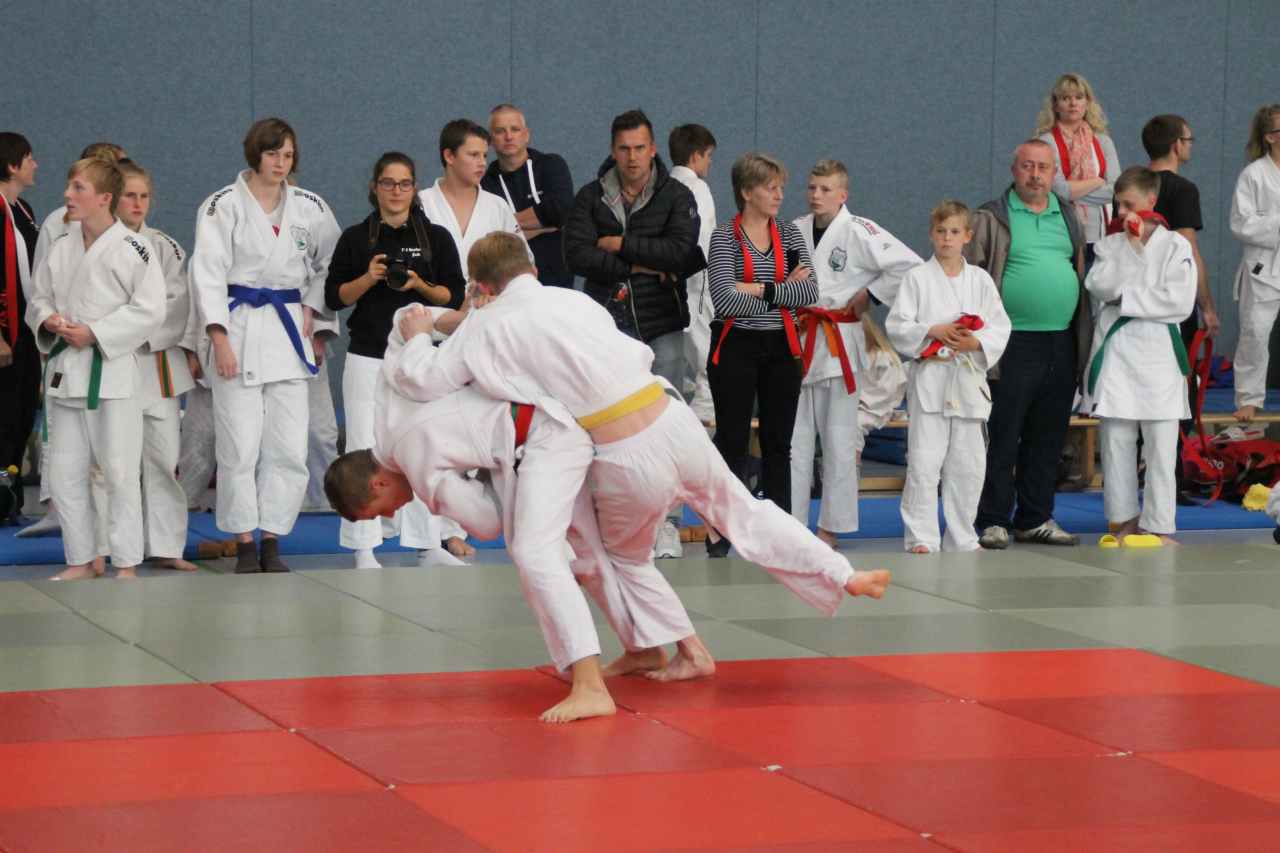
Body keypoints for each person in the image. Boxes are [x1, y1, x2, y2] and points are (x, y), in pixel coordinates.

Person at [392, 232, 891, 675]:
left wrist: (417, 339)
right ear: (532, 270)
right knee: (744, 511)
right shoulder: (574, 300)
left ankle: (677, 652)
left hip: (626, 449)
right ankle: (842, 573)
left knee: (621, 558)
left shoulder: (485, 325)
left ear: (480, 286)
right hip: (671, 415)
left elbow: (425, 380)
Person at [190, 117, 340, 573]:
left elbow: (330, 265)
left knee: (288, 448)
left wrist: (314, 317)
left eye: (288, 155)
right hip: (237, 328)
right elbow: (207, 274)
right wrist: (218, 337)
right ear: (256, 153)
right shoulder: (221, 205)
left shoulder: (310, 206)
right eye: (273, 153)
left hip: (289, 333)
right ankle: (243, 540)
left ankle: (272, 538)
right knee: (239, 447)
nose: (281, 162)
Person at [325, 151, 469, 569]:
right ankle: (363, 547)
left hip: (420, 356)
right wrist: (368, 277)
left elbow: (453, 297)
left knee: (425, 448)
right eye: (387, 183)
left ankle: (428, 544)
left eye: (404, 183)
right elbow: (335, 297)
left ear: (414, 188)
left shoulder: (435, 237)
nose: (396, 191)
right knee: (361, 446)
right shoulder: (356, 238)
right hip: (368, 352)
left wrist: (419, 283)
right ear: (375, 188)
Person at [26, 158, 165, 579]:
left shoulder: (134, 248)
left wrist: (96, 333)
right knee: (65, 473)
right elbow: (38, 298)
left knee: (119, 471)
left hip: (113, 372)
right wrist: (49, 320)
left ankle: (126, 562)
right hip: (66, 371)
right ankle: (82, 559)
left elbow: (150, 310)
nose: (67, 195)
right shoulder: (61, 245)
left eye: (78, 188)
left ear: (104, 198)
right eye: (70, 187)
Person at [790, 159, 922, 547]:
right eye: (812, 188)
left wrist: (872, 294)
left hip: (840, 344)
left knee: (840, 440)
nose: (816, 195)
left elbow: (909, 266)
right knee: (794, 444)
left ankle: (830, 527)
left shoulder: (860, 230)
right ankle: (791, 525)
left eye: (825, 189)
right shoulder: (794, 229)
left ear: (843, 194)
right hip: (799, 340)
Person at [966, 140, 1090, 549]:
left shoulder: (1068, 215)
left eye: (1043, 167)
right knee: (1003, 433)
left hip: (1061, 339)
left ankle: (1035, 517)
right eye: (1027, 166)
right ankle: (993, 519)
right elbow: (970, 276)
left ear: (1054, 173)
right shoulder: (990, 217)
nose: (1035, 175)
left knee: (1048, 435)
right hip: (1010, 342)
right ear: (1014, 170)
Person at [704, 152, 816, 556]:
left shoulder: (790, 234)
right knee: (732, 442)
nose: (780, 195)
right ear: (747, 192)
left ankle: (781, 532)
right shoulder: (724, 237)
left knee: (778, 445)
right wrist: (783, 290)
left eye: (781, 187)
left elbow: (810, 292)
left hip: (782, 348)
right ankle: (724, 530)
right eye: (771, 188)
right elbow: (724, 299)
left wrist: (758, 288)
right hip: (735, 346)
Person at [887, 201, 1010, 553]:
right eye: (941, 231)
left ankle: (962, 535)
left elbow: (1000, 325)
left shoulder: (980, 280)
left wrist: (977, 341)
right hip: (931, 378)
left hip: (968, 379)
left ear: (967, 236)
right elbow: (898, 326)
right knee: (924, 463)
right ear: (931, 234)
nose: (947, 238)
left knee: (968, 465)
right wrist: (933, 330)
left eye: (954, 232)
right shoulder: (917, 278)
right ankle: (921, 536)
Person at [1083, 167, 1196, 545]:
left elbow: (1179, 303)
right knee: (1116, 442)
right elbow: (1099, 286)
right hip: (1119, 354)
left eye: (1128, 204)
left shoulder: (1175, 246)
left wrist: (1126, 299)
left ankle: (1159, 525)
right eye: (1118, 204)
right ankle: (1123, 520)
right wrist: (1130, 251)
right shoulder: (1111, 245)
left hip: (1159, 356)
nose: (1121, 212)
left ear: (1151, 201)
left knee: (1161, 447)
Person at [19, 142, 126, 540]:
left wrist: (99, 332)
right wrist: (50, 322)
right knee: (63, 443)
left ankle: (113, 540)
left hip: (110, 353)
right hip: (65, 345)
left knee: (112, 457)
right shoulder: (57, 225)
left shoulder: (129, 236)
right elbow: (40, 287)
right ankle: (57, 510)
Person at [563, 109, 705, 393]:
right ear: (613, 151)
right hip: (605, 322)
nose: (632, 157)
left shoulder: (677, 195)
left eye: (639, 148)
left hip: (663, 321)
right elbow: (576, 256)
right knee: (611, 405)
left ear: (652, 149)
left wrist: (620, 245)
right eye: (624, 149)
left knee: (667, 405)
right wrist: (633, 267)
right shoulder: (590, 196)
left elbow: (678, 252)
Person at [114, 161, 199, 571]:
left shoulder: (166, 246)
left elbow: (177, 303)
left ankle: (166, 546)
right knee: (116, 465)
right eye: (130, 195)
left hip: (157, 364)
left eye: (144, 196)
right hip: (114, 364)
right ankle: (118, 550)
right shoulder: (94, 244)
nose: (138, 203)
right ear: (112, 198)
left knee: (164, 460)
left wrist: (134, 329)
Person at [418, 119, 525, 280]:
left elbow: (522, 263)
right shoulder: (421, 203)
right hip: (434, 295)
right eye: (474, 155)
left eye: (484, 155)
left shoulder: (497, 205)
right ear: (449, 156)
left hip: (489, 295)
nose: (482, 163)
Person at [482, 104, 575, 288]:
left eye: (515, 129)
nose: (509, 136)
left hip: (557, 283)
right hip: (508, 285)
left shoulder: (551, 165)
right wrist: (546, 225)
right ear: (490, 140)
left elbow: (562, 211)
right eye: (500, 131)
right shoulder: (485, 183)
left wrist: (508, 228)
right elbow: (489, 234)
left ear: (526, 135)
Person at [1036, 73, 1120, 265]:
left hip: (1101, 234)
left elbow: (1116, 190)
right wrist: (1097, 181)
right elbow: (1058, 191)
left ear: (1087, 103)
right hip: (1060, 232)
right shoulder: (1046, 142)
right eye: (1066, 98)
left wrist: (1071, 191)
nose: (1073, 103)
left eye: (1079, 97)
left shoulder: (1103, 141)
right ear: (1056, 105)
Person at [1230, 103, 1280, 422]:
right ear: (1270, 137)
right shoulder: (1254, 175)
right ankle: (1249, 397)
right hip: (1264, 266)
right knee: (1255, 332)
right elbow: (1240, 224)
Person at [0, 133, 40, 523]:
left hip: (26, 330)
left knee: (22, 413)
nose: (35, 165)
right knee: (2, 414)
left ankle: (8, 495)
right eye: (29, 159)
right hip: (2, 331)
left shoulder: (23, 210)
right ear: (12, 165)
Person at [667, 123, 718, 423]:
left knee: (675, 362)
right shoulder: (697, 188)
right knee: (707, 363)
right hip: (696, 284)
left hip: (667, 286)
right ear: (696, 156)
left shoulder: (661, 184)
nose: (710, 163)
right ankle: (702, 426)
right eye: (709, 156)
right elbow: (702, 240)